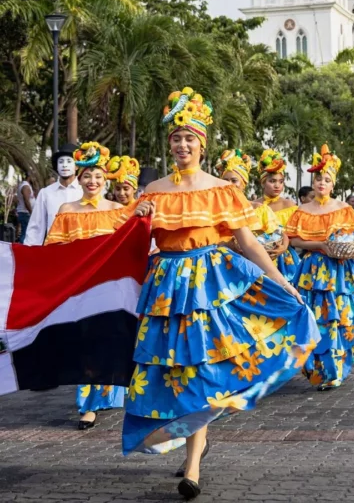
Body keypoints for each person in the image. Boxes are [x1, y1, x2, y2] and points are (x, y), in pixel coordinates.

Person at [121, 87, 319, 501]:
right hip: (165, 292)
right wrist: (135, 220)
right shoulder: (153, 190)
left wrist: (280, 281)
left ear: (202, 143)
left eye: (189, 138)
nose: (182, 145)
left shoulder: (222, 190)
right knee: (170, 371)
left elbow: (247, 243)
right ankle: (190, 440)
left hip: (209, 287)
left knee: (202, 371)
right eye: (176, 138)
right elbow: (130, 247)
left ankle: (192, 467)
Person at [45, 142, 134, 429]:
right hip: (81, 288)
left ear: (105, 178)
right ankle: (88, 405)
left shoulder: (119, 211)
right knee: (85, 344)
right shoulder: (67, 210)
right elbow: (54, 249)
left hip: (110, 288)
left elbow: (130, 248)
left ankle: (104, 396)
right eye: (87, 176)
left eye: (97, 175)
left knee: (107, 341)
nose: (92, 181)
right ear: (79, 179)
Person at [287, 144, 354, 390]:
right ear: (313, 183)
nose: (322, 183)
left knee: (339, 317)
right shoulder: (302, 211)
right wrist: (321, 244)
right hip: (313, 270)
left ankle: (336, 370)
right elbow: (293, 239)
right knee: (315, 316)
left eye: (327, 179)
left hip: (341, 270)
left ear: (333, 184)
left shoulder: (345, 210)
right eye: (318, 179)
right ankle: (318, 370)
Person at [256, 149, 301, 281]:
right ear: (263, 182)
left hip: (286, 259)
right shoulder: (254, 205)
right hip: (259, 257)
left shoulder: (290, 206)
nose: (277, 185)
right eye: (272, 181)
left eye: (281, 181)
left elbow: (296, 235)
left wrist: (284, 245)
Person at [24, 143, 82, 245]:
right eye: (61, 161)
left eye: (69, 161)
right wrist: (30, 253)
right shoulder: (46, 193)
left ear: (77, 166)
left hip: (81, 250)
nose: (64, 165)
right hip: (53, 249)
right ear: (57, 166)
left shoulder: (84, 191)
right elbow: (36, 226)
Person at [16, 172, 36, 243]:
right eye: (33, 176)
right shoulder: (25, 186)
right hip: (25, 213)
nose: (34, 178)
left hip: (24, 213)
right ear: (29, 176)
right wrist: (31, 212)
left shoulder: (25, 185)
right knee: (25, 233)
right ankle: (22, 250)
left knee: (25, 232)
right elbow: (26, 201)